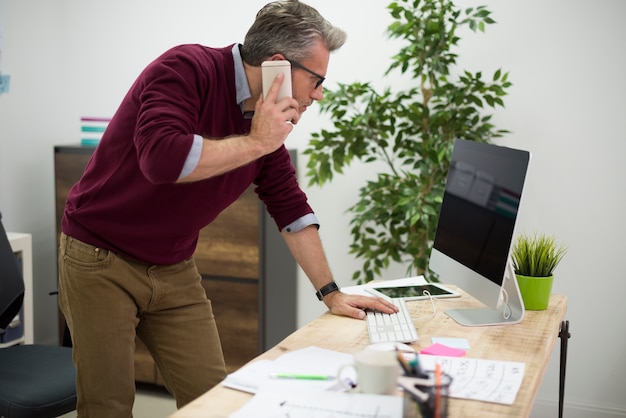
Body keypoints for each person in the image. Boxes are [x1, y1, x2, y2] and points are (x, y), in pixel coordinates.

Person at [58, 1, 398, 416]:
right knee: (107, 405)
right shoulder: (186, 68)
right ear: (278, 64)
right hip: (100, 256)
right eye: (317, 80)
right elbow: (161, 159)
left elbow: (289, 205)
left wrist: (331, 294)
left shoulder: (264, 122)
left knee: (214, 401)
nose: (318, 95)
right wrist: (257, 141)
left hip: (172, 265)